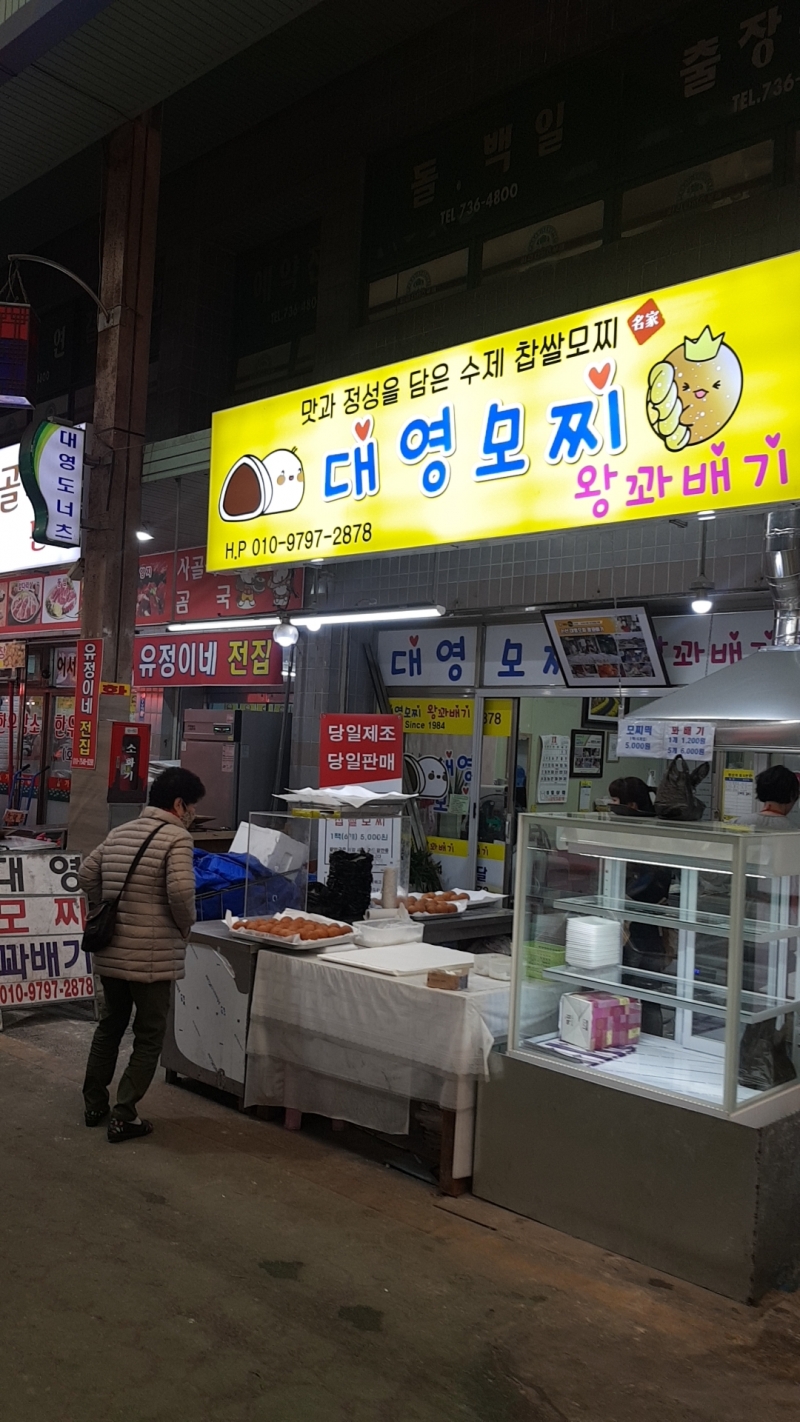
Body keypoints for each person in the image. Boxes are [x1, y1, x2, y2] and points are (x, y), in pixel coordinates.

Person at [80, 767, 205, 1143]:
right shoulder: (177, 838)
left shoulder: (121, 832)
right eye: (192, 806)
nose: (194, 814)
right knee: (149, 1035)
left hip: (112, 951)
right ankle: (124, 1115)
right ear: (179, 804)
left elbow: (86, 874)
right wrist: (184, 926)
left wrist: (105, 906)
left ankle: (94, 1104)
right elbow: (181, 893)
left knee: (110, 1025)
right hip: (152, 957)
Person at [607, 774, 671, 1035]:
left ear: (631, 805)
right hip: (648, 932)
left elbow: (647, 881)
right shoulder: (656, 831)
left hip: (637, 931)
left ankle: (627, 1040)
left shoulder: (644, 835)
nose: (611, 805)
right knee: (649, 996)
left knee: (631, 994)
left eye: (615, 800)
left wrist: (623, 897)